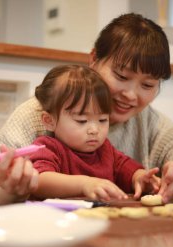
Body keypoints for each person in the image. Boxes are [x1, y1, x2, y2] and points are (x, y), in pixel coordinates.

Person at [0, 13, 173, 206]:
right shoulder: (42, 115)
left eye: (148, 85)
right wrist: (8, 195)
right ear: (94, 59)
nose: (130, 95)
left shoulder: (146, 121)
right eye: (121, 77)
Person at [29, 64, 159, 201]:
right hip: (60, 219)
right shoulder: (48, 148)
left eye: (102, 120)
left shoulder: (105, 150)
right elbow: (39, 180)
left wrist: (139, 177)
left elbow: (125, 167)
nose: (94, 130)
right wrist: (84, 184)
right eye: (82, 121)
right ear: (49, 121)